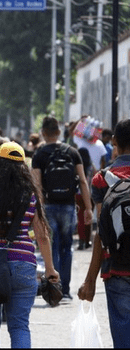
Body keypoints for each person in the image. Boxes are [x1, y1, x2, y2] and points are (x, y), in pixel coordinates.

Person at [0, 141, 59, 348]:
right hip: (23, 265)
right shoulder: (30, 194)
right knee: (19, 325)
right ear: (23, 166)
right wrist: (49, 268)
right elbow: (42, 235)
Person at [78, 118, 130, 348]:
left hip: (116, 267)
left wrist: (90, 281)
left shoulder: (103, 178)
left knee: (122, 334)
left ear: (115, 141)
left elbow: (101, 233)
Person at [32, 116, 93, 300]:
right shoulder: (72, 152)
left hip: (48, 206)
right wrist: (88, 208)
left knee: (52, 246)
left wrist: (38, 210)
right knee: (67, 247)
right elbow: (82, 180)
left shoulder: (39, 154)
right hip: (68, 206)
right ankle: (65, 291)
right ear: (59, 132)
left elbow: (36, 184)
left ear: (43, 133)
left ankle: (54, 288)